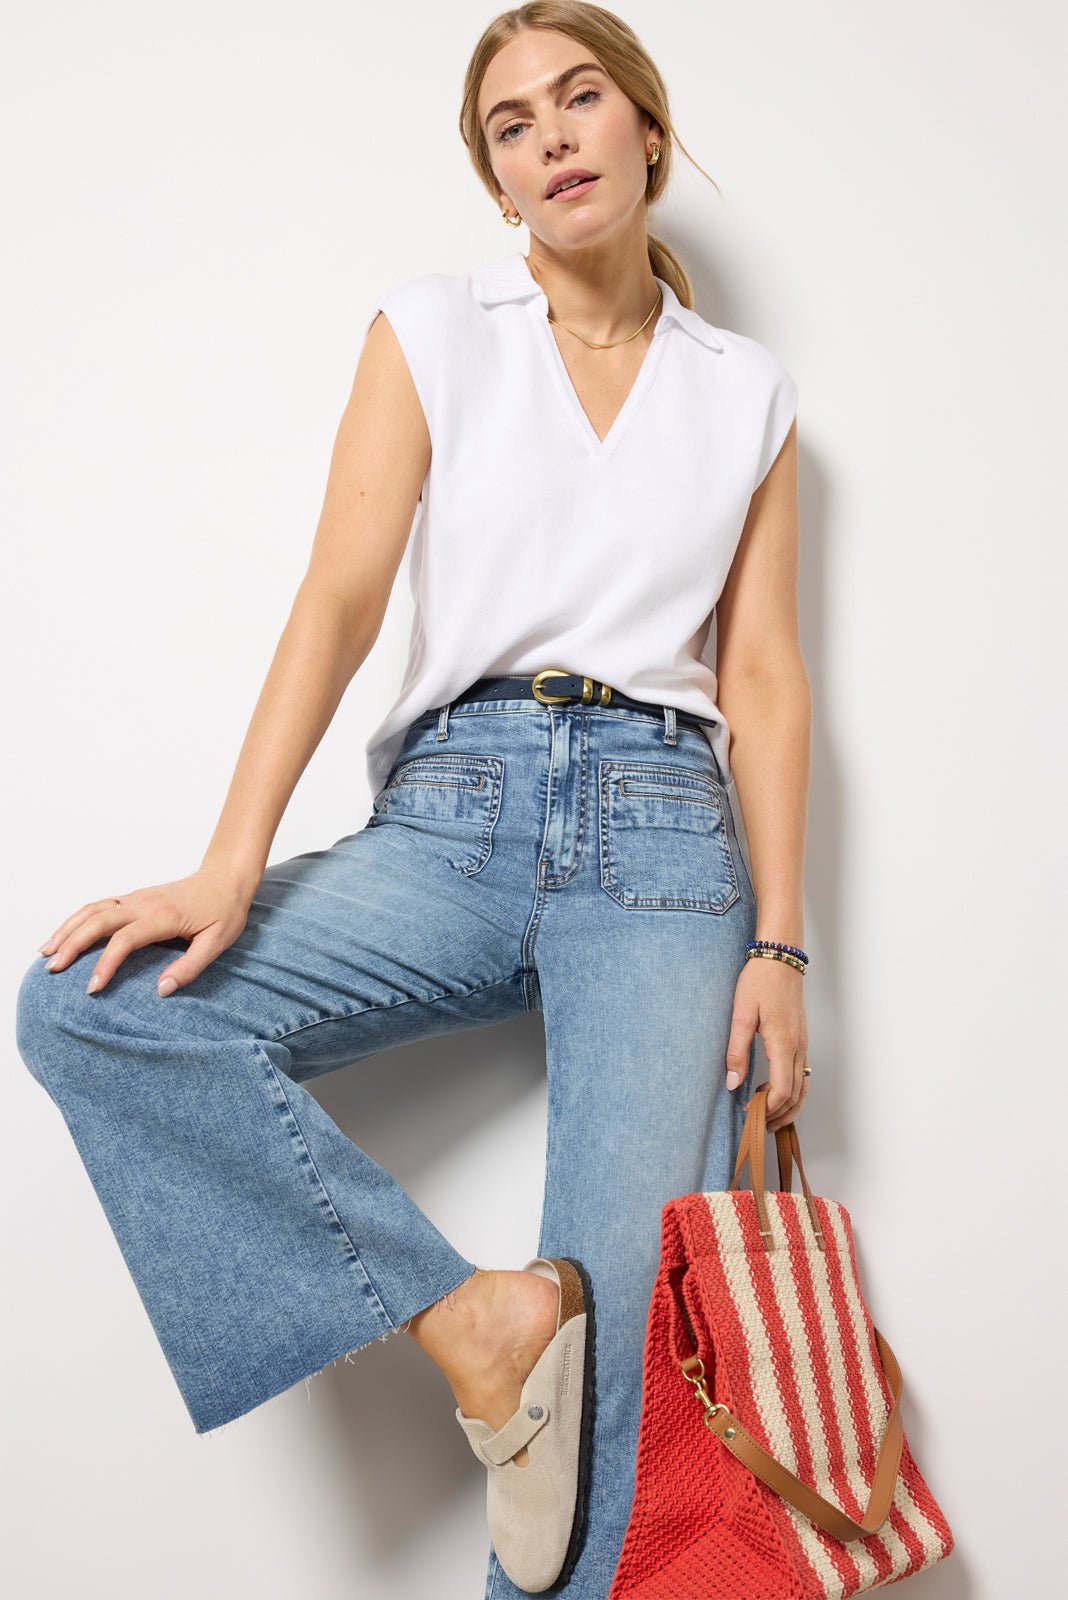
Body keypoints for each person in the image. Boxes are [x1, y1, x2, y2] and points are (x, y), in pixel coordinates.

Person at [15, 3, 812, 1595]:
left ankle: (549, 1366)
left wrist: (782, 947)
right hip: (457, 808)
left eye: (581, 98)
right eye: (513, 124)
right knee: (87, 1007)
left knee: (625, 1381)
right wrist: (229, 863)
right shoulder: (437, 328)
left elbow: (769, 679)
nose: (554, 135)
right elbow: (340, 596)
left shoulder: (747, 389)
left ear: (648, 129)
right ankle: (480, 1322)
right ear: (497, 179)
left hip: (666, 847)